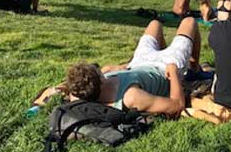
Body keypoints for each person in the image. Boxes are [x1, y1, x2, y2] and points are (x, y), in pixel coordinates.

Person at [62, 17, 201, 116]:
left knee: (155, 24)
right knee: (189, 22)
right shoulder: (132, 97)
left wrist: (116, 68)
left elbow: (78, 85)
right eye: (97, 69)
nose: (100, 68)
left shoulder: (85, 90)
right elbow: (176, 105)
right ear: (101, 80)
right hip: (165, 67)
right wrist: (174, 73)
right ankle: (194, 68)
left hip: (138, 63)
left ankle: (164, 50)